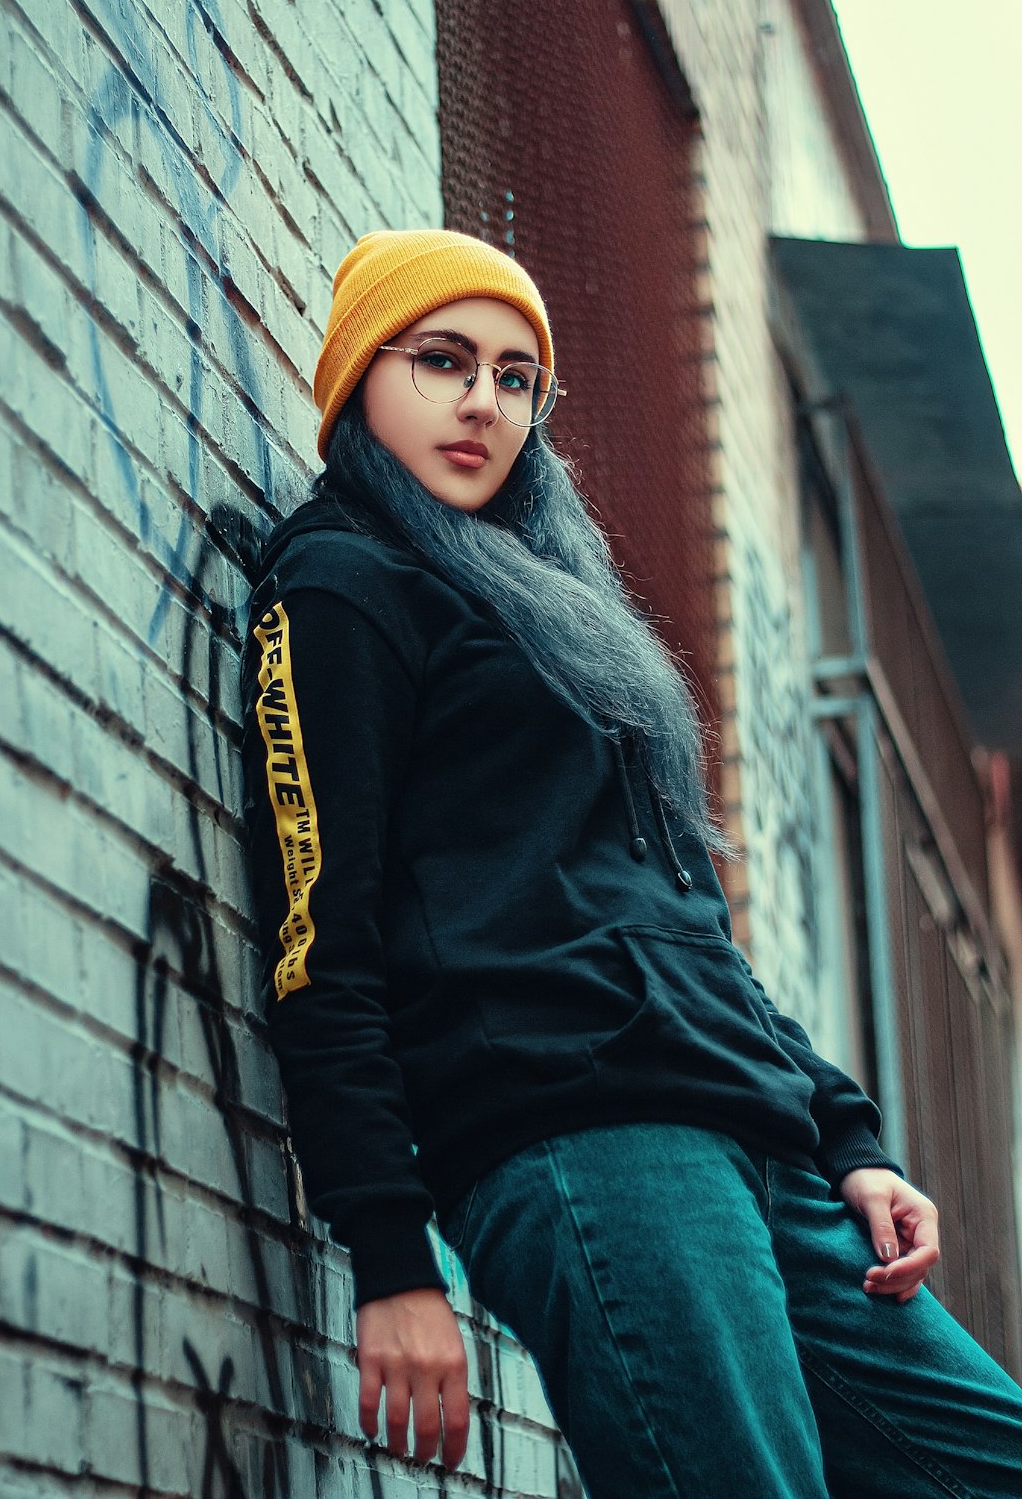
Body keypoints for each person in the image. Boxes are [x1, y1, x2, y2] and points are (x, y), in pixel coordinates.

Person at [240, 228, 1022, 1496]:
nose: (482, 403)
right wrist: (389, 1258)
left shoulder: (556, 611)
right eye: (441, 360)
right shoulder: (339, 588)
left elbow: (686, 934)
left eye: (514, 378)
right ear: (355, 375)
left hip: (758, 1147)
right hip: (589, 1142)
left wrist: (849, 1138)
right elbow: (320, 941)